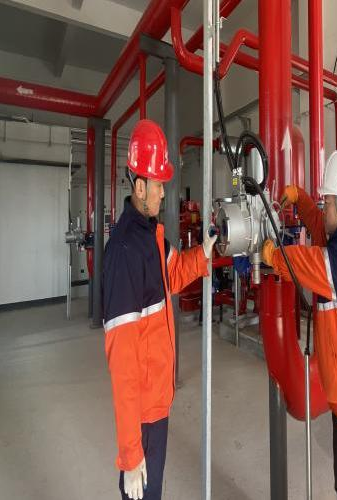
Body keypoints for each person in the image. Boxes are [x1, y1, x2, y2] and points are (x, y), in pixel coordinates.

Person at [102, 119, 217, 500]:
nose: (164, 193)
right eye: (159, 184)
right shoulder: (124, 252)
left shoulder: (152, 237)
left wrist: (203, 255)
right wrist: (130, 452)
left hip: (157, 402)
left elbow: (175, 272)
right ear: (139, 187)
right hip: (143, 415)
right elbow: (122, 362)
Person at [262, 150, 337, 500]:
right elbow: (317, 222)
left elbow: (306, 263)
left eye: (327, 203)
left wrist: (274, 256)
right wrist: (299, 198)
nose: (323, 208)